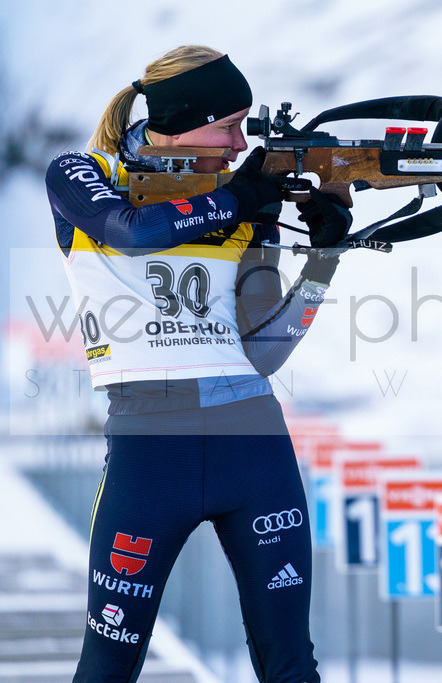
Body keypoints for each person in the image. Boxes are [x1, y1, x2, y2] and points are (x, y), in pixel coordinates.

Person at [44, 45, 351, 682]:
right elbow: (125, 228)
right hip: (149, 447)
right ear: (182, 120)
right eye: (228, 125)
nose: (241, 144)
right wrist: (242, 199)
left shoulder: (242, 201)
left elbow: (264, 353)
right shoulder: (81, 170)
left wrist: (324, 257)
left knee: (292, 665)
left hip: (254, 439)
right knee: (107, 667)